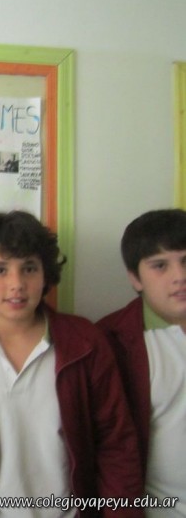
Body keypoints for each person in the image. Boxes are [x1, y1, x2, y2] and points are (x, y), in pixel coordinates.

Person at [0, 210, 143, 518]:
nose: (17, 284)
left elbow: (116, 445)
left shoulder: (85, 342)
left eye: (29, 268)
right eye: (0, 270)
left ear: (45, 274)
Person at [97, 209, 186, 515]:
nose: (180, 276)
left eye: (185, 261)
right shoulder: (109, 343)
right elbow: (107, 449)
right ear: (135, 278)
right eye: (160, 266)